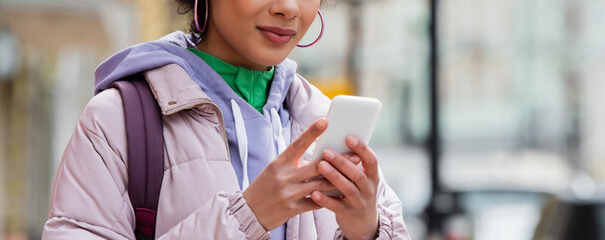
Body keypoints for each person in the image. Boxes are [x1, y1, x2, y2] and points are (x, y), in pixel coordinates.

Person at [41, 0, 409, 239]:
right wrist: (247, 217)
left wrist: (367, 229)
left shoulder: (319, 119)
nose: (288, 7)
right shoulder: (117, 119)